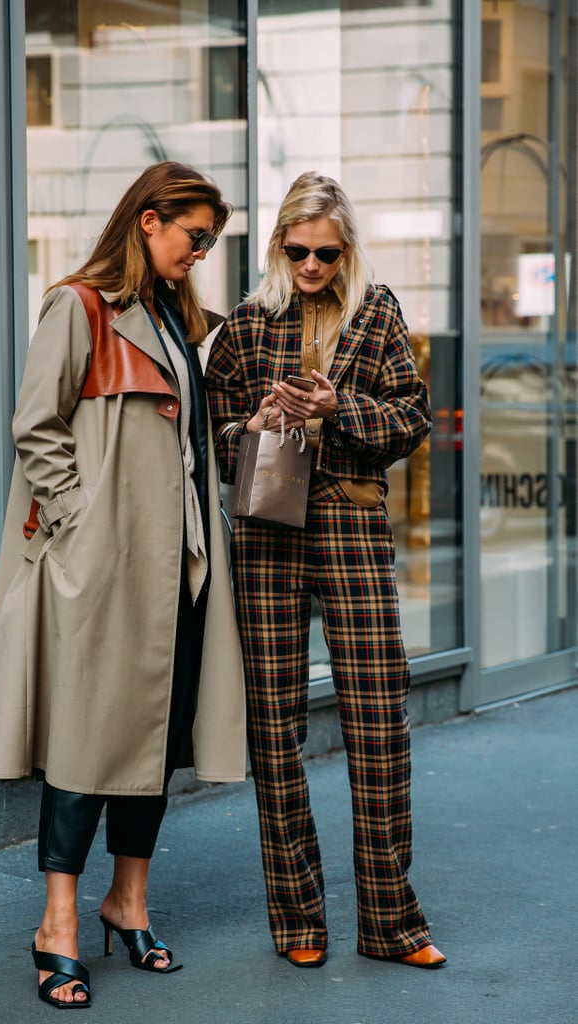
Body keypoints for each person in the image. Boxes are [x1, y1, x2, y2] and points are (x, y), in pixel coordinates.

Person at [0, 161, 246, 1008]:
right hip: (105, 568)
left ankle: (127, 900)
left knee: (155, 746)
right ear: (149, 221)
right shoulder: (81, 306)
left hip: (184, 571)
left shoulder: (176, 322)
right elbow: (36, 425)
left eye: (211, 240)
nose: (202, 252)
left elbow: (184, 446)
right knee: (89, 745)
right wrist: (78, 525)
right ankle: (57, 921)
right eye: (195, 236)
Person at [204, 171, 445, 970]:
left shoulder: (375, 312)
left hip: (349, 521)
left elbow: (411, 420)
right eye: (298, 251)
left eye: (326, 253)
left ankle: (390, 922)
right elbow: (215, 436)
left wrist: (338, 408)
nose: (311, 266)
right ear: (278, 244)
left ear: (346, 250)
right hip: (267, 532)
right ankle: (297, 918)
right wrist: (260, 419)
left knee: (378, 721)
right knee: (274, 728)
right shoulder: (243, 324)